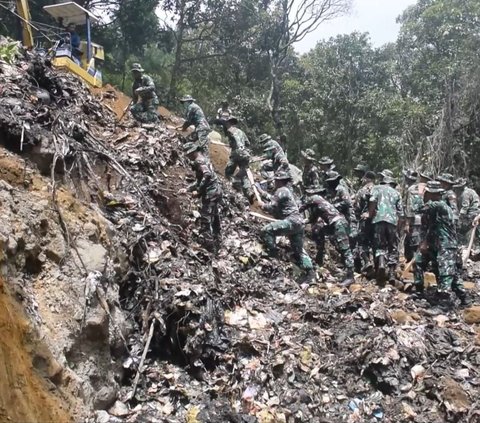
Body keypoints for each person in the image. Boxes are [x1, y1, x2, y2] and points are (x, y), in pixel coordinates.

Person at [413, 181, 469, 305]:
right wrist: (425, 242)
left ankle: (445, 303)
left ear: (433, 194)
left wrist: (419, 194)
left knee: (446, 273)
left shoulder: (439, 205)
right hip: (436, 244)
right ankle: (419, 291)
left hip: (446, 245)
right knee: (419, 262)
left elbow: (417, 208)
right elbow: (430, 227)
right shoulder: (435, 207)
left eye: (427, 192)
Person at [258, 171, 315, 283]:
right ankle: (310, 273)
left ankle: (273, 254)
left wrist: (263, 205)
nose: (274, 182)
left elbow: (272, 207)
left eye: (276, 180)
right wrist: (261, 192)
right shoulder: (286, 191)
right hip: (299, 223)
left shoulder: (281, 190)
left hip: (291, 221)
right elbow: (272, 198)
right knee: (298, 251)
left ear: (279, 181)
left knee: (266, 230)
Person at [300, 185, 355, 286]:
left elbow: (302, 207)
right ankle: (319, 257)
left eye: (309, 194)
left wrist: (292, 214)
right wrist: (302, 221)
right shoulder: (321, 206)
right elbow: (311, 219)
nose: (308, 196)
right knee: (319, 231)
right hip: (335, 224)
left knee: (345, 249)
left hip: (338, 223)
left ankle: (350, 277)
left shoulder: (316, 198)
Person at [181, 142, 222, 251]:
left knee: (205, 217)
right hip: (216, 191)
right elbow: (200, 180)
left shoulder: (198, 161)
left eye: (188, 154)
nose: (188, 156)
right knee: (215, 215)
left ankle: (207, 245)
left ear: (192, 152)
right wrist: (188, 189)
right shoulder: (204, 158)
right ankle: (218, 238)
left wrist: (198, 191)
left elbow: (207, 175)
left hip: (210, 193)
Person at [369, 175, 404, 283]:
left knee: (380, 244)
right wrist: (399, 227)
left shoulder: (376, 188)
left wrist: (370, 214)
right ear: (392, 184)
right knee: (393, 247)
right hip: (392, 221)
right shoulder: (396, 193)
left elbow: (372, 200)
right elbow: (401, 212)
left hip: (379, 220)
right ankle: (392, 274)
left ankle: (381, 264)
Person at [224, 117, 254, 203]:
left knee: (228, 172)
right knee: (244, 174)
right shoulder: (242, 132)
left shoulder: (230, 130)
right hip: (245, 154)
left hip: (236, 153)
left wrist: (235, 146)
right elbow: (248, 143)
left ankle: (236, 184)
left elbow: (235, 141)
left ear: (229, 123)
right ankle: (249, 191)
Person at [324, 171, 357, 249]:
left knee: (352, 239)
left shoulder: (341, 189)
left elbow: (347, 202)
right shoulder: (329, 191)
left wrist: (333, 206)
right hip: (336, 219)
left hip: (348, 218)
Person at [404, 171, 431, 263]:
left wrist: (407, 223)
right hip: (427, 220)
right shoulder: (432, 189)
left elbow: (409, 207)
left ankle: (414, 263)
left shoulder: (413, 188)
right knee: (424, 242)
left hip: (415, 219)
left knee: (413, 242)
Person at [354, 170, 376, 273]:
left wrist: (357, 217)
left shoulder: (362, 191)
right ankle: (377, 266)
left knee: (362, 243)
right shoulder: (377, 190)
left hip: (364, 220)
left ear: (367, 178)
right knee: (375, 243)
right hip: (376, 220)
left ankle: (367, 262)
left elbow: (357, 207)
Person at [454, 178, 480, 246]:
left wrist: (460, 218)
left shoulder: (465, 194)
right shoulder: (471, 191)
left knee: (463, 232)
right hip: (476, 213)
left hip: (471, 215)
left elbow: (465, 207)